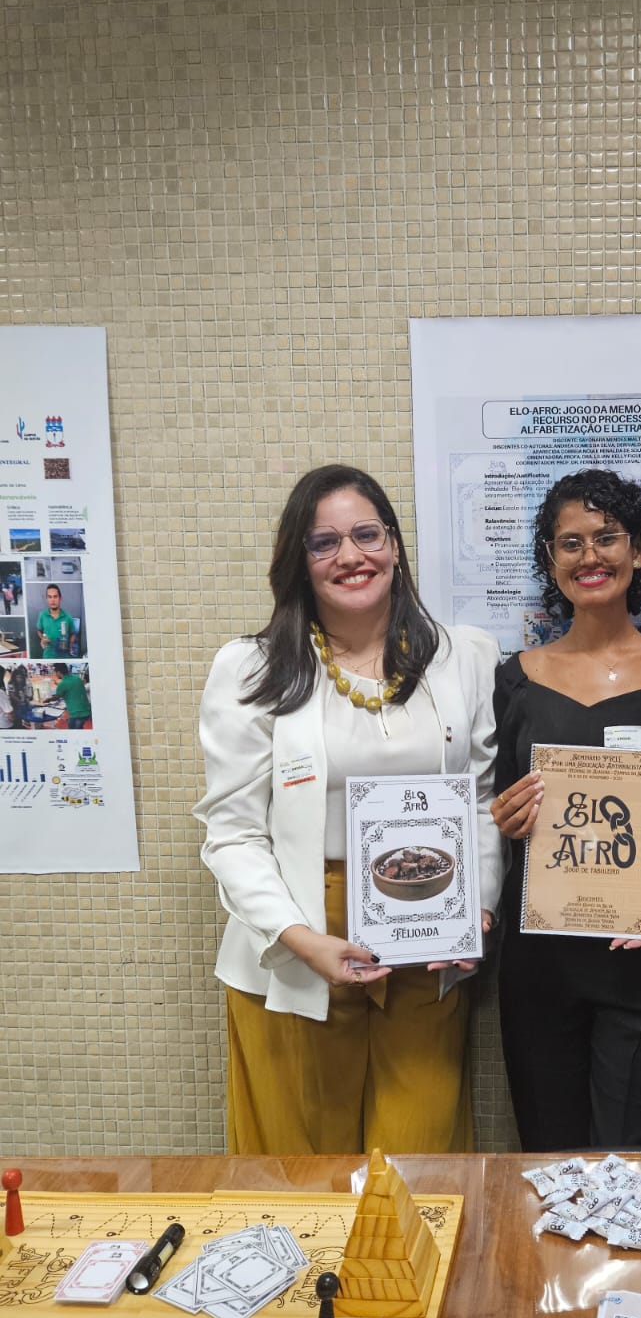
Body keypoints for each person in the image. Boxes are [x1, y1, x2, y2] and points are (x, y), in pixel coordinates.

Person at [195, 464, 502, 1156]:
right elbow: (232, 834)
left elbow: (481, 799)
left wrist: (475, 908)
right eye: (324, 542)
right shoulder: (250, 669)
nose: (351, 556)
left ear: (393, 543)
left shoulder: (463, 657)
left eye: (367, 534)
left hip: (428, 932)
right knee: (300, 1172)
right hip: (300, 938)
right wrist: (302, 939)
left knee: (418, 1165)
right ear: (298, 560)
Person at [491, 469, 641, 1151]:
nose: (589, 556)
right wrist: (505, 818)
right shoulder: (514, 681)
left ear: (640, 551)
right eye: (570, 543)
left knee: (634, 1159)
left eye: (608, 537)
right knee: (549, 1155)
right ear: (549, 560)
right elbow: (497, 801)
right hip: (540, 960)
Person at [36, 584, 77, 658]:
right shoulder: (42, 615)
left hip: (64, 657)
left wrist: (70, 645)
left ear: (60, 598)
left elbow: (73, 633)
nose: (53, 600)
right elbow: (39, 630)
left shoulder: (67, 617)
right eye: (50, 597)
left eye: (55, 596)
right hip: (48, 656)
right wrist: (42, 638)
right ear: (46, 599)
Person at [48, 663, 91, 729]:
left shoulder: (62, 684)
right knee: (79, 728)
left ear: (59, 672)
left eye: (55, 672)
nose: (55, 674)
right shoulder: (77, 678)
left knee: (73, 730)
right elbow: (71, 688)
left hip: (76, 713)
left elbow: (56, 697)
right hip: (86, 710)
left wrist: (48, 700)